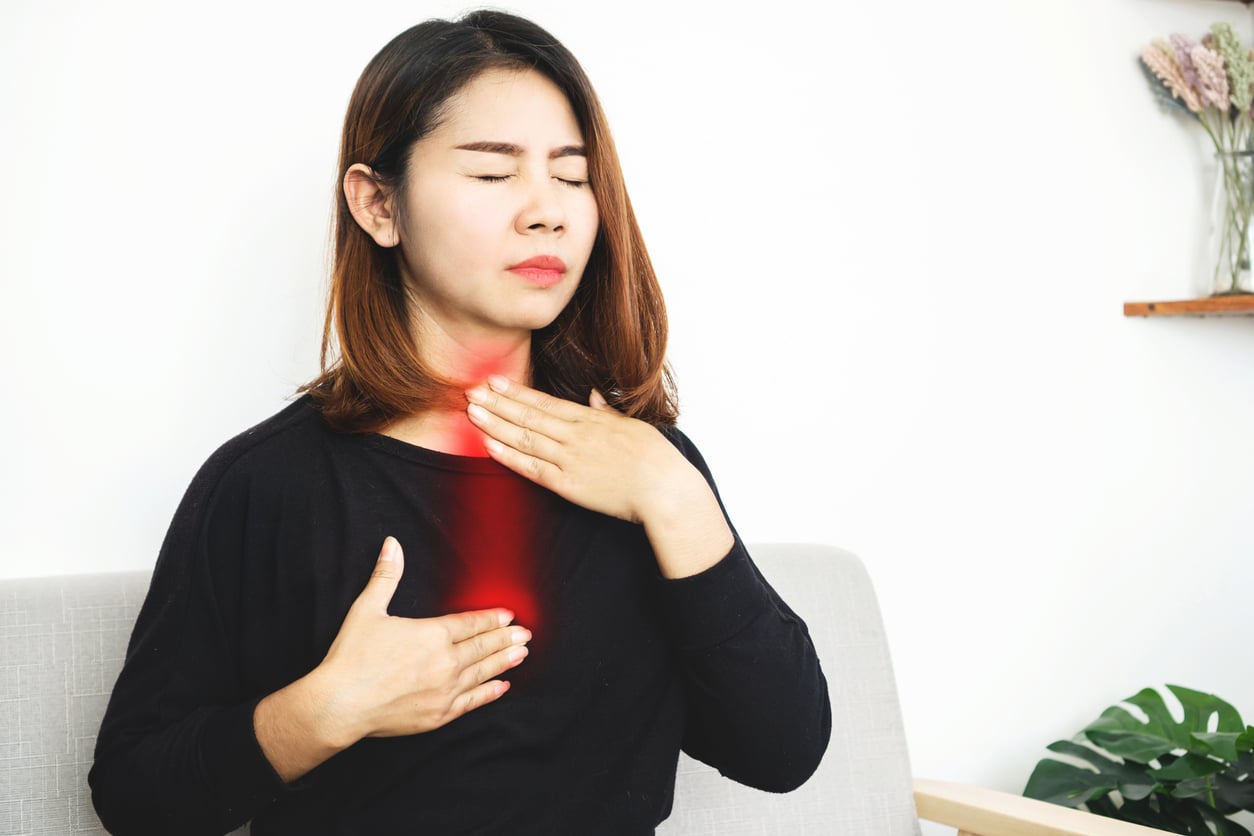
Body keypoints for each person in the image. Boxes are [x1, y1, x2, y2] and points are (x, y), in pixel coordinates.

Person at [89, 11, 831, 835]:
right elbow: (134, 798)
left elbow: (781, 752)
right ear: (378, 204)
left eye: (574, 176)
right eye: (492, 174)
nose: (547, 212)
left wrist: (677, 499)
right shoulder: (271, 481)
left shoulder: (646, 469)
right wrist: (322, 713)